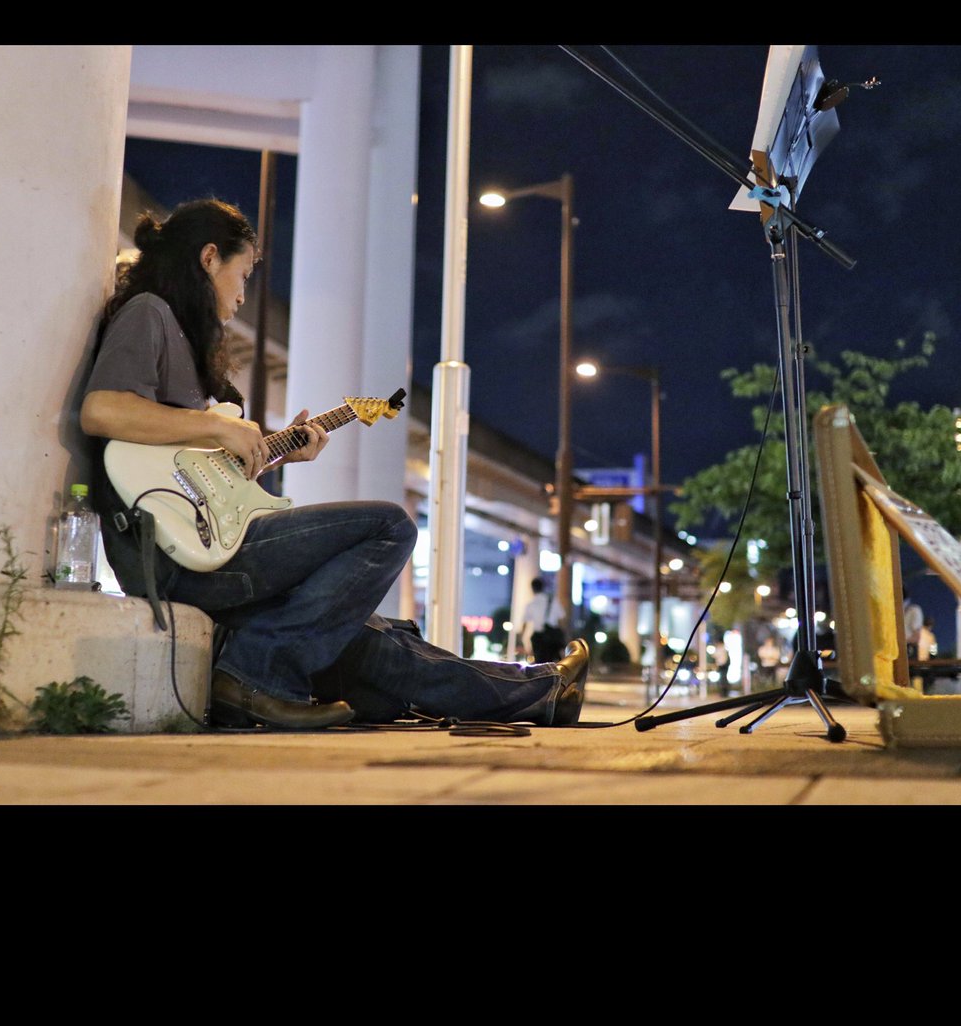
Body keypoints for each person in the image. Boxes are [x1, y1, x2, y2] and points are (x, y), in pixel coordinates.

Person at [79, 198, 589, 730]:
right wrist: (218, 427)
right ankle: (258, 670)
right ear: (209, 257)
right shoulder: (150, 314)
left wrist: (268, 451)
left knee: (369, 637)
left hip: (203, 540)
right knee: (388, 527)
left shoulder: (189, 343)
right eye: (244, 273)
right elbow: (103, 409)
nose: (243, 292)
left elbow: (191, 473)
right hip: (169, 555)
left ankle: (545, 691)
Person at [521, 577, 565, 663]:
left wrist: (522, 639)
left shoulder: (531, 604)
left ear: (532, 588)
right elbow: (561, 618)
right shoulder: (553, 601)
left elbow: (525, 623)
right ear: (543, 587)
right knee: (554, 662)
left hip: (539, 637)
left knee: (540, 663)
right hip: (552, 636)